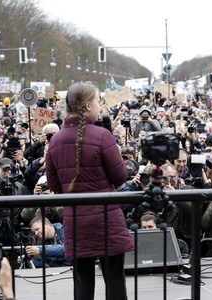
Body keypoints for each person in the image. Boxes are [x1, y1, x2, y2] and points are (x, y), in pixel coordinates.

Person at [46, 83, 134, 299]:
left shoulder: (55, 140)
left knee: (82, 283)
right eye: (98, 101)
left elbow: (55, 186)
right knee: (114, 280)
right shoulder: (102, 136)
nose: (100, 106)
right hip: (106, 219)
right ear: (87, 106)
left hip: (76, 220)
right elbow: (120, 177)